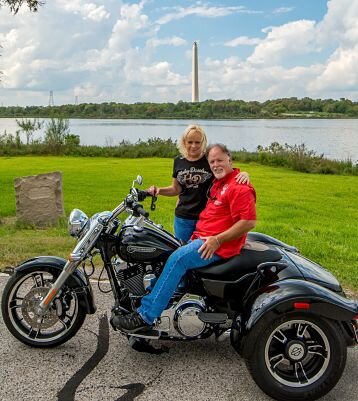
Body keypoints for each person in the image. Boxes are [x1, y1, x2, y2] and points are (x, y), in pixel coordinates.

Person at [117, 143, 256, 333]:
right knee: (164, 251)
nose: (216, 164)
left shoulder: (239, 187)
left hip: (215, 245)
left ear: (229, 159)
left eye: (220, 160)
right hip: (201, 237)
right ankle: (149, 298)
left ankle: (145, 316)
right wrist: (153, 192)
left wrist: (217, 240)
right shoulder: (217, 182)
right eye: (212, 161)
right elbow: (181, 187)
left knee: (178, 259)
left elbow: (248, 222)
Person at [147, 125, 250, 242]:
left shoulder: (209, 159)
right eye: (190, 142)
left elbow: (227, 173)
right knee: (181, 248)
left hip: (206, 218)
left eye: (197, 142)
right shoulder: (178, 161)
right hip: (183, 217)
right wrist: (159, 190)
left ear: (203, 142)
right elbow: (176, 189)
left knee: (203, 252)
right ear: (184, 142)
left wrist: (244, 174)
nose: (194, 146)